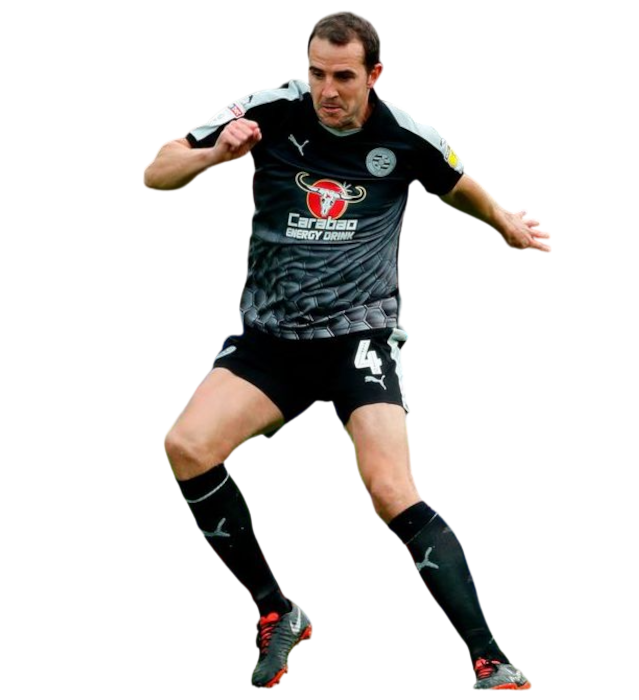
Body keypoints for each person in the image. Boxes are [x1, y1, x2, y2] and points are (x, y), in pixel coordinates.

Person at [148, 10, 549, 691]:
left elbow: (459, 184)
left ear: (374, 74)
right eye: (316, 74)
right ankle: (278, 611)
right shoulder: (268, 110)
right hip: (271, 340)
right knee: (185, 446)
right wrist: (214, 155)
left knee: (391, 491)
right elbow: (156, 173)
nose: (327, 91)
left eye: (342, 76)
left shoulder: (406, 134)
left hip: (360, 338)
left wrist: (504, 221)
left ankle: (491, 658)